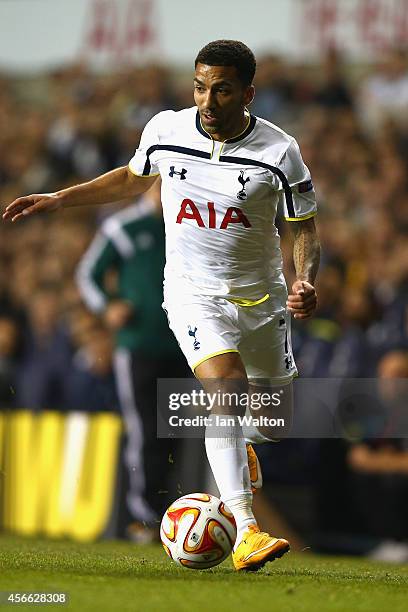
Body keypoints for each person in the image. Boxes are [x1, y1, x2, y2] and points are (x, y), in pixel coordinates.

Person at [3, 40, 320, 571]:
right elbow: (132, 177)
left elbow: (303, 227)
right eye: (200, 87)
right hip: (192, 293)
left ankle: (242, 443)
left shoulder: (279, 152)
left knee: (274, 423)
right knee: (226, 385)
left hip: (261, 300)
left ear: (248, 92)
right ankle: (246, 530)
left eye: (221, 90)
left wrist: (304, 278)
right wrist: (62, 198)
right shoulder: (166, 131)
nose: (208, 101)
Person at [76, 181, 190, 540]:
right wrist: (107, 305)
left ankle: (165, 514)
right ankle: (143, 517)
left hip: (183, 345)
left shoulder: (187, 226)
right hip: (137, 344)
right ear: (152, 185)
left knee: (173, 434)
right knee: (144, 430)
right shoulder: (123, 227)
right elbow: (88, 274)